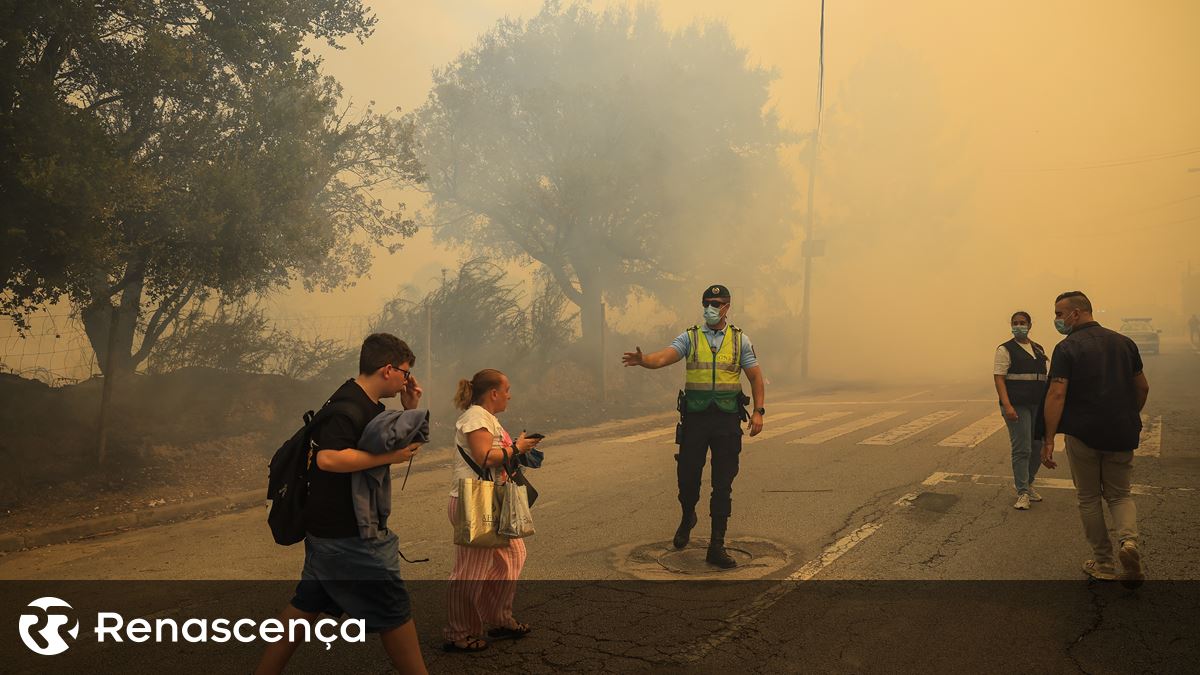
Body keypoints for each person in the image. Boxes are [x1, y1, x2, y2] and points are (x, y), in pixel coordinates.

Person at [256, 334, 428, 675]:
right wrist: (390, 456)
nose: (408, 379)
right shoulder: (349, 407)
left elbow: (396, 439)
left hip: (329, 532)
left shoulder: (362, 402)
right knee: (393, 610)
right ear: (388, 369)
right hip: (347, 534)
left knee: (306, 605)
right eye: (406, 372)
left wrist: (411, 409)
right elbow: (329, 459)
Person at [621, 284, 765, 569]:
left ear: (727, 307)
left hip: (726, 420)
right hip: (696, 420)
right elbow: (665, 356)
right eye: (707, 302)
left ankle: (717, 545)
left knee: (723, 485)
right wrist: (645, 360)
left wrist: (759, 412)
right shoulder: (690, 337)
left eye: (717, 302)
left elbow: (755, 377)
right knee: (687, 478)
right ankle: (688, 515)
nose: (711, 307)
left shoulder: (740, 340)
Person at [1041, 291, 1150, 587]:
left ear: (1076, 313)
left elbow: (1057, 393)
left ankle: (1103, 562)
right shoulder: (1124, 343)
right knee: (1120, 494)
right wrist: (1127, 416)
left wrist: (1049, 438)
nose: (1057, 320)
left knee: (1088, 497)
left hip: (1084, 434)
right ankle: (1128, 544)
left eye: (1060, 314)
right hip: (1121, 433)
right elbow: (1142, 387)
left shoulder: (1067, 348)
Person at [444, 369, 542, 653]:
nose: (510, 395)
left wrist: (519, 448)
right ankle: (458, 633)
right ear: (493, 393)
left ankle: (498, 617)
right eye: (507, 389)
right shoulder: (475, 417)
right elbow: (484, 457)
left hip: (492, 500)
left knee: (514, 555)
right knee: (470, 571)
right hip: (474, 501)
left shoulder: (487, 418)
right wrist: (517, 448)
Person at [993, 311, 1048, 510]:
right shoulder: (1005, 349)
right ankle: (1022, 492)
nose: (1018, 326)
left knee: (1037, 447)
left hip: (1038, 405)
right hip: (1017, 405)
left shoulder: (1039, 349)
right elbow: (999, 378)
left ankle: (1029, 482)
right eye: (1015, 323)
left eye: (1022, 322)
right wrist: (1007, 405)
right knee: (1022, 448)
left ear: (1030, 325)